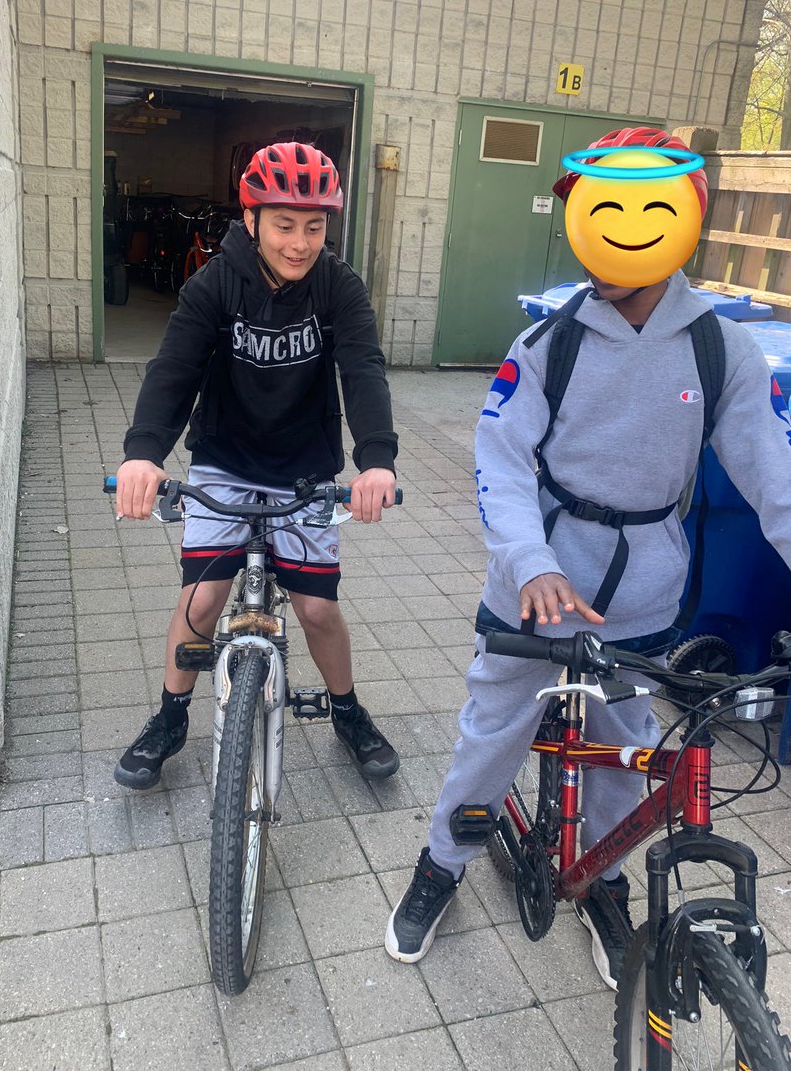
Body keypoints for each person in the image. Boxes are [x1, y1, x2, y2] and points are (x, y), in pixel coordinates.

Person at [385, 126, 791, 988]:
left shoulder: (722, 351)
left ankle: (604, 884)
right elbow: (499, 457)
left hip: (642, 595)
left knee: (623, 745)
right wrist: (529, 560)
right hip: (533, 586)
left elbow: (774, 477)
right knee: (492, 740)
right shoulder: (546, 346)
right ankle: (439, 866)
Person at [113, 142, 400, 790]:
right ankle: (170, 715)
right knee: (202, 598)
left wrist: (376, 461)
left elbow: (362, 369)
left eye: (315, 227)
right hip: (226, 462)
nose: (299, 243)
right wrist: (143, 456)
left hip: (304, 470)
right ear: (251, 220)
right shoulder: (215, 282)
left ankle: (348, 713)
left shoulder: (338, 286)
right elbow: (174, 368)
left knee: (317, 609)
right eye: (283, 224)